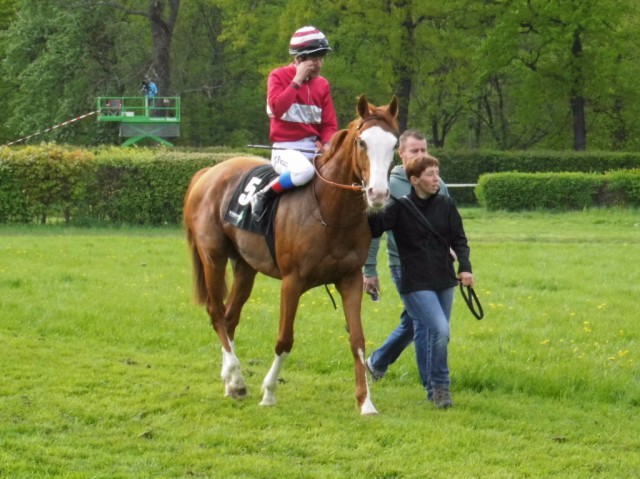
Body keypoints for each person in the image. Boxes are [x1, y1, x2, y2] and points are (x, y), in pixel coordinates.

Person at [367, 154, 473, 408]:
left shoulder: (446, 204)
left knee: (437, 334)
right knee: (439, 330)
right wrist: (372, 202)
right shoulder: (399, 207)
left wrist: (465, 268)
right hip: (415, 282)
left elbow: (459, 239)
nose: (436, 178)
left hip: (444, 279)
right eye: (429, 174)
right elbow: (374, 229)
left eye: (437, 172)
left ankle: (433, 388)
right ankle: (441, 387)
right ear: (414, 180)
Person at [363, 130, 448, 385]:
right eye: (414, 150)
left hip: (437, 267)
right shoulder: (387, 183)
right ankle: (433, 386)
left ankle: (377, 362)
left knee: (415, 320)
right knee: (425, 324)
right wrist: (369, 270)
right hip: (405, 266)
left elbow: (448, 222)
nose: (421, 155)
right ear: (401, 154)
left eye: (424, 150)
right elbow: (375, 231)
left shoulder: (437, 182)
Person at [251, 26, 338, 222]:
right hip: (285, 150)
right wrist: (297, 80)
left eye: (321, 58)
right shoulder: (278, 76)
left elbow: (329, 125)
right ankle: (264, 194)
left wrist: (328, 145)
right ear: (299, 59)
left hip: (314, 149)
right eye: (315, 59)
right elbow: (277, 109)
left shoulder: (322, 84)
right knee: (304, 172)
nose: (320, 64)